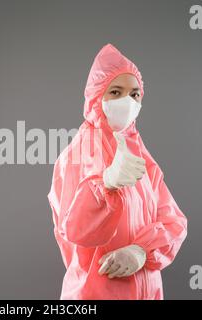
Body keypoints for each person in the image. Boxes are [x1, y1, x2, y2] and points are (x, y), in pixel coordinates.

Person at [47, 43, 187, 300]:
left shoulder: (140, 154)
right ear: (96, 97)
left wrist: (141, 251)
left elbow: (174, 222)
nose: (128, 101)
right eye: (115, 91)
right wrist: (105, 183)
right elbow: (74, 231)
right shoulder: (77, 155)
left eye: (135, 94)